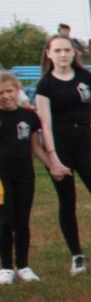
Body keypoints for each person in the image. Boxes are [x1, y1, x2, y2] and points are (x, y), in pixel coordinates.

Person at [33, 32, 91, 275]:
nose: (63, 55)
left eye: (67, 50)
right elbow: (46, 124)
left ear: (74, 53)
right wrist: (52, 157)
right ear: (49, 54)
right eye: (58, 51)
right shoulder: (45, 85)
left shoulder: (86, 78)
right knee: (67, 202)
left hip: (86, 146)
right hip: (60, 148)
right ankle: (77, 255)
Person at [0, 69, 55, 283]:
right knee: (5, 221)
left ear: (18, 91)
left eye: (9, 91)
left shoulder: (29, 117)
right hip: (1, 179)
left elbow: (35, 146)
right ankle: (5, 267)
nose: (6, 96)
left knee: (22, 220)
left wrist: (52, 165)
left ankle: (23, 265)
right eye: (1, 92)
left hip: (24, 175)